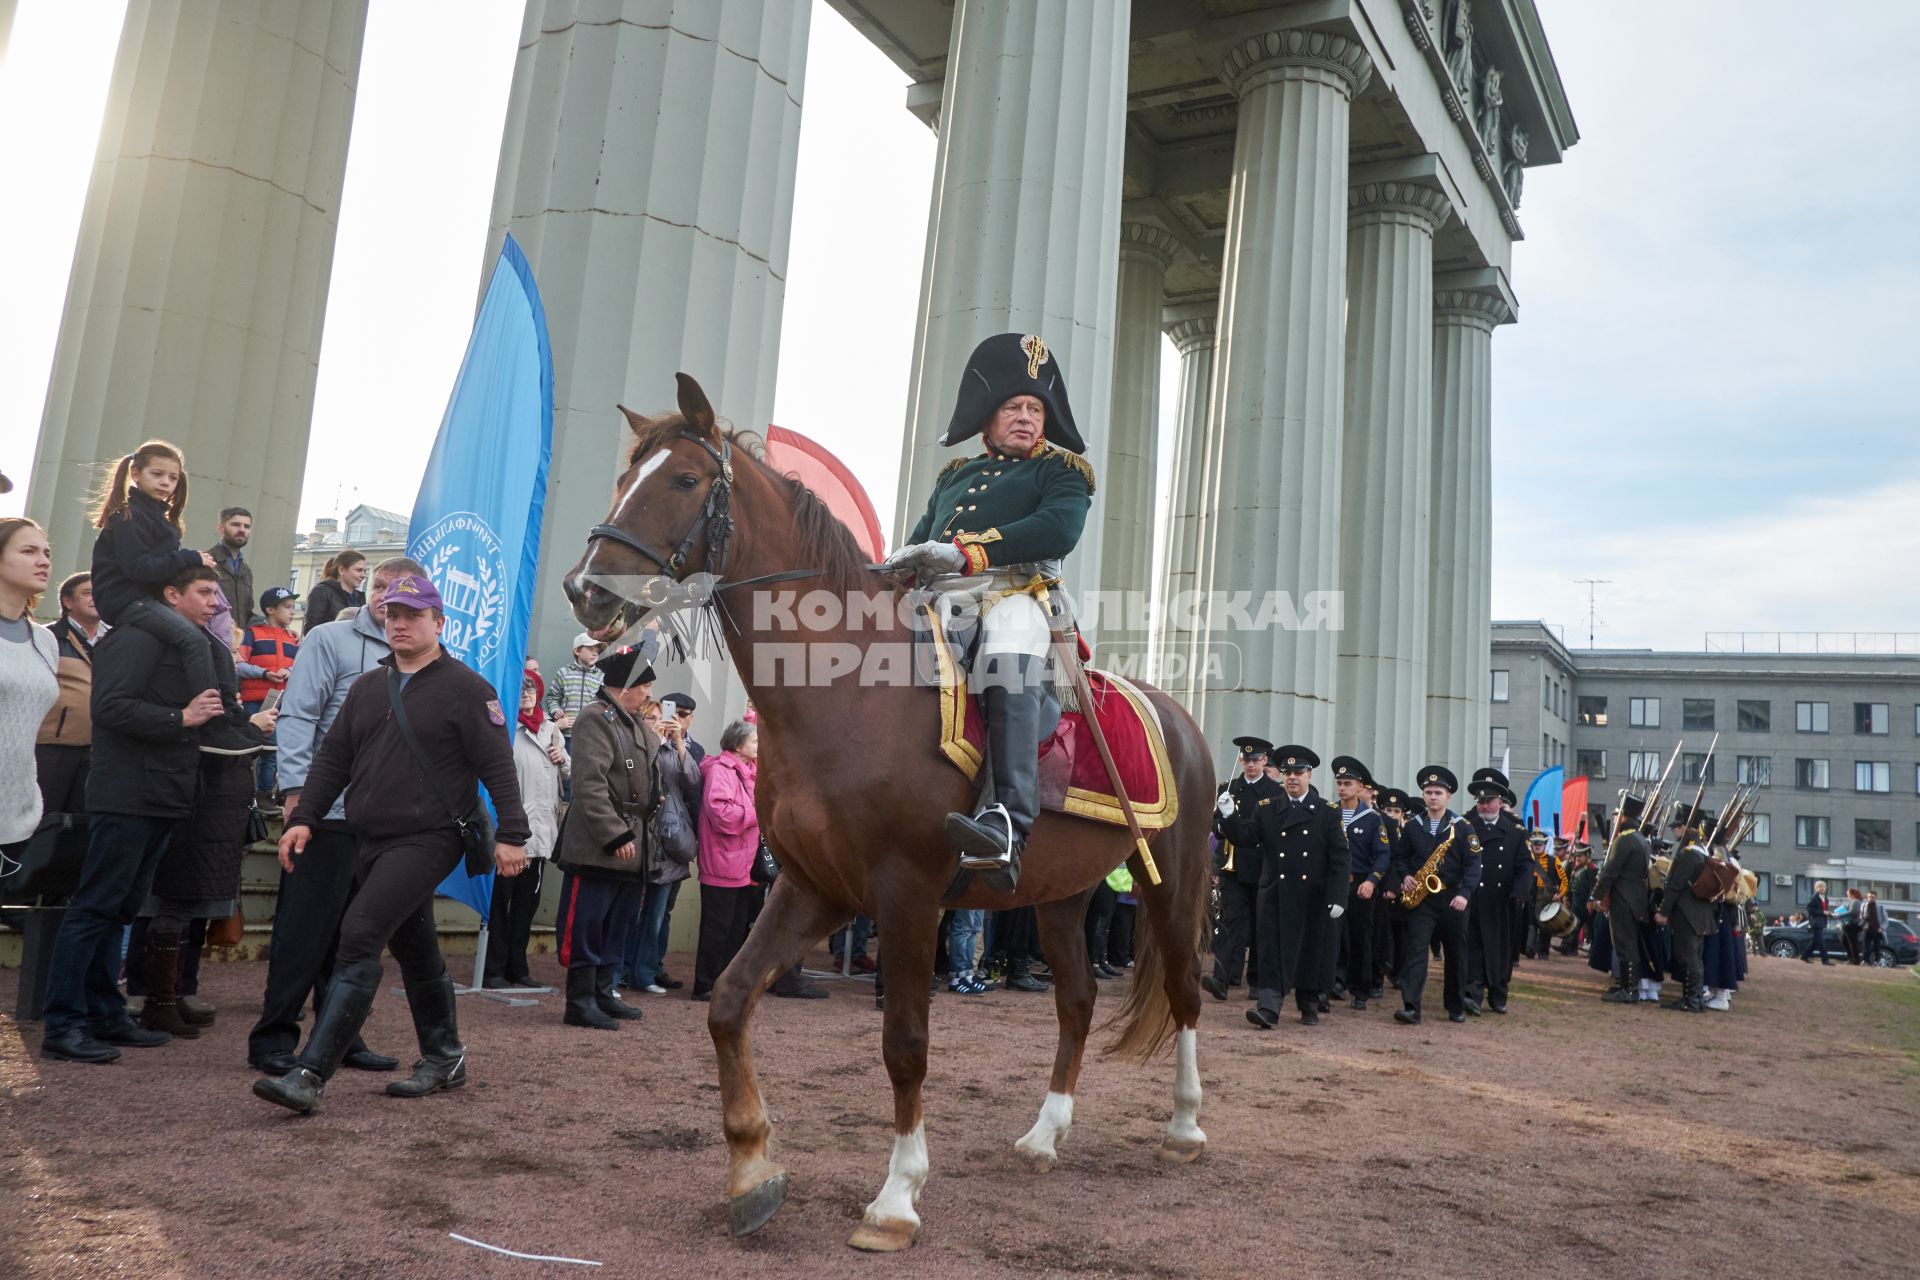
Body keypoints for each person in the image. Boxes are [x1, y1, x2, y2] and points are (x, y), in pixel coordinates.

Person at [251, 573, 530, 1114]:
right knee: (414, 945)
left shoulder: (469, 689)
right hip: (367, 835)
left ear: (439, 623)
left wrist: (514, 834)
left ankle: (309, 1075)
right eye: (393, 615)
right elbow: (333, 759)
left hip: (429, 837)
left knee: (358, 934)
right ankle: (445, 1057)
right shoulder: (366, 687)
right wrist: (304, 815)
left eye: (413, 615)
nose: (399, 623)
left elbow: (497, 766)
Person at [881, 332, 1095, 890]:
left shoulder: (1062, 472)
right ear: (987, 419)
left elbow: (1057, 529)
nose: (1026, 418)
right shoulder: (954, 477)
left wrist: (968, 550)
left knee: (1008, 642)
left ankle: (1007, 820)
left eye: (1034, 409)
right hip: (938, 598)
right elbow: (921, 539)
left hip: (1017, 593)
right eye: (1013, 408)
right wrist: (894, 569)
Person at [38, 563, 233, 1063]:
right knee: (95, 907)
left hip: (164, 793)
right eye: (205, 591)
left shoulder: (181, 645)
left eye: (217, 593)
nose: (215, 602)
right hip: (126, 794)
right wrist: (181, 717)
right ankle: (63, 1024)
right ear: (171, 594)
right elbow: (110, 708)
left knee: (121, 909)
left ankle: (106, 1014)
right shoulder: (135, 638)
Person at [246, 557, 420, 1077]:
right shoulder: (329, 639)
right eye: (380, 586)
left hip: (385, 822)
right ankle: (273, 1036)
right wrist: (298, 790)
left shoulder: (419, 653)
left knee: (357, 937)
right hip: (327, 812)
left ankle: (339, 1036)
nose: (388, 598)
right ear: (366, 588)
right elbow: (298, 714)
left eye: (400, 591)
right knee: (303, 930)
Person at [132, 632, 273, 1038]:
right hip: (196, 807)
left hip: (213, 809)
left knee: (186, 905)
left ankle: (172, 995)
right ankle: (158, 1000)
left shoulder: (202, 657)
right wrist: (251, 726)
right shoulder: (187, 672)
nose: (214, 603)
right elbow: (219, 740)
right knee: (174, 904)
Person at [552, 646, 656, 1028]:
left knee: (617, 923)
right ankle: (579, 1002)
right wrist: (614, 833)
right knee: (588, 924)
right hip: (600, 844)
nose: (647, 693)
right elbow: (589, 784)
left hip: (634, 841)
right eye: (643, 685)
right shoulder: (596, 718)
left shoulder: (630, 721)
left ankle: (603, 993)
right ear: (624, 685)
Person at [1240, 746, 1346, 1028]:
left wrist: (1338, 897)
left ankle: (1308, 1003)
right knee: (1271, 951)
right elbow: (1247, 838)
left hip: (1313, 896)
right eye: (1287, 773)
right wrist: (1227, 817)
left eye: (1298, 772)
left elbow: (1339, 858)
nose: (1292, 778)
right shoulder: (1269, 809)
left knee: (1310, 952)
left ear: (1309, 775)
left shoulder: (1327, 813)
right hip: (1276, 893)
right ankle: (1269, 1007)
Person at [485, 671, 567, 989]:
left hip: (540, 836)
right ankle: (493, 969)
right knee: (500, 905)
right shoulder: (504, 728)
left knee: (526, 906)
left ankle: (517, 968)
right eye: (520, 688)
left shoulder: (550, 730)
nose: (526, 693)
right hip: (510, 835)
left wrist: (563, 758)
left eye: (531, 687)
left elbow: (568, 773)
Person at [620, 695, 700, 995]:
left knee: (658, 912)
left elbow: (693, 781)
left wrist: (678, 741)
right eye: (652, 717)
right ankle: (624, 971)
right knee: (633, 910)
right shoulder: (637, 743)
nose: (667, 720)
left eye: (681, 715)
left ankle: (645, 972)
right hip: (642, 833)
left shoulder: (679, 746)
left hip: (673, 836)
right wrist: (654, 738)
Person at [1389, 766, 1481, 1026]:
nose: (1432, 797)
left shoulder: (1463, 828)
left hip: (1453, 899)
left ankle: (1455, 1006)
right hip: (1423, 900)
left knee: (1456, 953)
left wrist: (1464, 894)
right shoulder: (1412, 826)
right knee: (1416, 950)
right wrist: (1405, 875)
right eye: (1428, 792)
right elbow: (1400, 857)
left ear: (1448, 796)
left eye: (1438, 792)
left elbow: (1473, 865)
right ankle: (1411, 1006)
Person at [1, 519, 60, 869]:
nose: (43, 561)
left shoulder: (45, 641)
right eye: (28, 551)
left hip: (17, 819)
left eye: (47, 553)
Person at [693, 719, 763, 1001]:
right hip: (723, 862)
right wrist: (758, 814)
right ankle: (705, 984)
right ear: (738, 745)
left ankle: (724, 984)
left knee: (735, 929)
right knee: (717, 929)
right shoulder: (721, 771)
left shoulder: (749, 771)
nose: (760, 746)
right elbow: (721, 814)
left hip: (743, 864)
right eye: (756, 740)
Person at [1202, 736, 1276, 1001]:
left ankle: (1256, 979)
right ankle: (1221, 977)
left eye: (1256, 760)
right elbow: (1214, 825)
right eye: (1246, 760)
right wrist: (1222, 823)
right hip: (1232, 868)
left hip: (1260, 867)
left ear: (1265, 760)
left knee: (1260, 925)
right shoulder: (1229, 787)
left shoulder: (1273, 791)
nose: (1251, 765)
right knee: (1229, 922)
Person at [1462, 768, 1527, 1015]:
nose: (1485, 806)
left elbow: (1525, 864)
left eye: (1489, 801)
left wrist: (1520, 890)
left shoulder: (1516, 831)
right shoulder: (1467, 827)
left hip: (1502, 900)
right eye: (1480, 801)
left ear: (1500, 801)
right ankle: (1473, 993)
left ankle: (1498, 993)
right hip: (1475, 898)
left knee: (1500, 949)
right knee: (1474, 948)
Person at [34, 570, 97, 815]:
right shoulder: (47, 637)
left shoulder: (115, 639)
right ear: (68, 601)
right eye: (88, 593)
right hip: (52, 745)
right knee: (44, 814)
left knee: (79, 820)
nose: (96, 598)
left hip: (96, 747)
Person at [1332, 756, 1392, 1012]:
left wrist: (1371, 882)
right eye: (1340, 783)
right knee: (1333, 937)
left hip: (1360, 887)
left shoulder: (1372, 819)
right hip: (1334, 885)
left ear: (1360, 787)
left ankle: (1360, 990)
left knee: (1359, 938)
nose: (1343, 788)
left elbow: (1382, 856)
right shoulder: (1330, 813)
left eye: (1348, 783)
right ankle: (1333, 982)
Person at [240, 587, 300, 805]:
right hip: (254, 700)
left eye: (293, 607)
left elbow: (300, 666)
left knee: (273, 750)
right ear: (270, 609)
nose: (292, 612)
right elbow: (239, 664)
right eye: (287, 607)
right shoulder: (253, 633)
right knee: (250, 747)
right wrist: (264, 673)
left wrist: (290, 672)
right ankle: (245, 792)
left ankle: (264, 795)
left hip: (279, 702)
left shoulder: (292, 638)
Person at [1593, 794, 1653, 1003]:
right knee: (1629, 943)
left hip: (1623, 898)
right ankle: (1627, 986)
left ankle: (1628, 990)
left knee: (1624, 944)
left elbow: (1610, 871)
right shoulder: (1641, 840)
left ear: (1624, 817)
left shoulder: (1624, 840)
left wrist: (1597, 895)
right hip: (1635, 898)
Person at [1656, 810, 1714, 1013]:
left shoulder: (1689, 854)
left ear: (1684, 828)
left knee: (1688, 957)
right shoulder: (1702, 851)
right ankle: (1694, 998)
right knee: (1694, 958)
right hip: (1698, 914)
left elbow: (1675, 885)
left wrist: (1663, 911)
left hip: (1687, 914)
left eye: (1676, 827)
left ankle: (1691, 999)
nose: (1673, 831)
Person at [545, 631, 606, 744]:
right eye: (590, 649)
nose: (595, 653)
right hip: (566, 735)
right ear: (577, 651)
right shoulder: (563, 673)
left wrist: (602, 724)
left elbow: (608, 706)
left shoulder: (601, 677)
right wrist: (556, 711)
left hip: (591, 737)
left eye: (597, 650)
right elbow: (552, 698)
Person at [208, 507, 257, 627]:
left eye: (246, 526)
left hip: (237, 640)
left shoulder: (246, 571)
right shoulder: (207, 562)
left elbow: (247, 613)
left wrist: (277, 628)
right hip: (212, 637)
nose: (242, 530)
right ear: (221, 528)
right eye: (236, 525)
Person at [302, 550, 366, 634]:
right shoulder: (322, 591)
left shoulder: (359, 598)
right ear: (342, 570)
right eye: (358, 570)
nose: (363, 575)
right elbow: (311, 630)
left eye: (365, 571)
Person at [1805, 881, 1833, 965]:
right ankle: (1825, 960)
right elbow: (1809, 910)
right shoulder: (1814, 898)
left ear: (1825, 888)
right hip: (1816, 922)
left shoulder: (1826, 899)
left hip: (1822, 922)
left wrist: (1829, 914)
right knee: (1821, 942)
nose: (1821, 888)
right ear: (1816, 888)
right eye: (1819, 886)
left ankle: (1804, 956)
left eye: (1823, 886)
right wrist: (1823, 912)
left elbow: (1823, 911)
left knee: (1815, 942)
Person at [1861, 892, 1888, 965]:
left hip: (1877, 930)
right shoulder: (1864, 905)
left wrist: (1881, 928)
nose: (1871, 898)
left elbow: (1886, 920)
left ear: (1876, 898)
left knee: (1877, 947)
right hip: (1867, 929)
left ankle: (1876, 961)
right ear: (1867, 897)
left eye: (1873, 897)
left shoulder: (1880, 907)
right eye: (1869, 897)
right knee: (1866, 946)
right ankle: (1865, 960)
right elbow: (1861, 916)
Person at [1839, 888, 1864, 965]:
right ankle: (1851, 958)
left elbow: (1853, 912)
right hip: (1848, 925)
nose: (1847, 895)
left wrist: (1840, 914)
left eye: (1848, 894)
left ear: (1852, 894)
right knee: (1845, 941)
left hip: (1852, 925)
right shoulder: (1853, 901)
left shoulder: (1856, 901)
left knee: (1852, 943)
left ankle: (1855, 960)